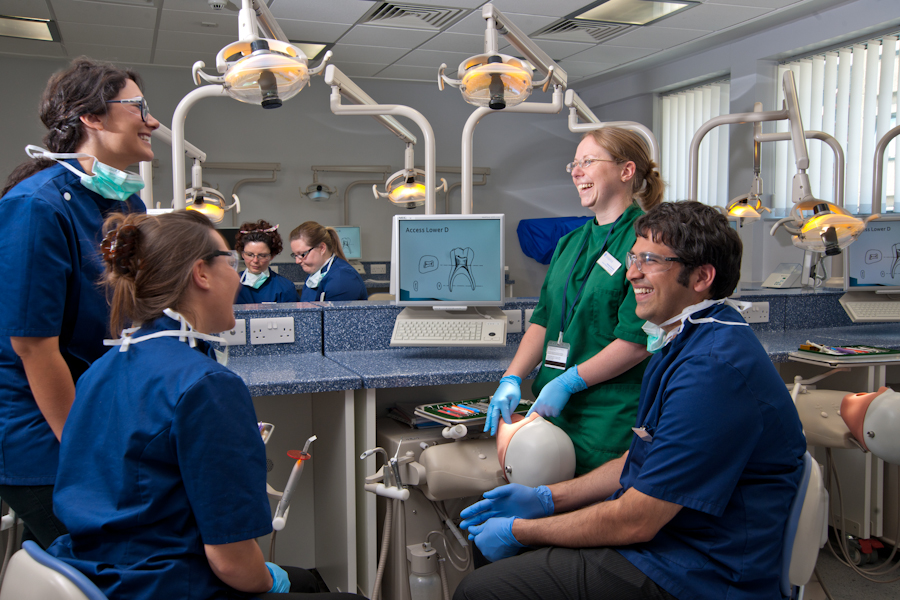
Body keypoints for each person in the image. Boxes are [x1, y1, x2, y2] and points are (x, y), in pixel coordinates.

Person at [455, 201, 807, 600]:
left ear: (702, 277)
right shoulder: (682, 343)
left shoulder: (713, 368)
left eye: (650, 260)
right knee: (488, 547)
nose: (632, 271)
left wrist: (522, 528)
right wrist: (547, 498)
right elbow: (643, 459)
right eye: (633, 257)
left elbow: (637, 520)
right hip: (670, 539)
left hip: (700, 570)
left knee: (483, 590)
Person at [47, 210, 366, 600]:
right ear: (201, 273)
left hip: (96, 572)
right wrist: (270, 581)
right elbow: (232, 563)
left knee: (305, 581)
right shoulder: (206, 385)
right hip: (165, 583)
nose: (238, 276)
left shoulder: (102, 368)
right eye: (230, 263)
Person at [0, 56, 156, 548]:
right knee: (107, 560)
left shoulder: (127, 206)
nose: (151, 121)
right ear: (92, 117)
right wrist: (84, 450)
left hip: (96, 415)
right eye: (139, 108)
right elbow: (33, 347)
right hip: (44, 436)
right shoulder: (36, 207)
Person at [485, 127, 664, 475]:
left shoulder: (646, 242)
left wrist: (570, 381)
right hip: (551, 411)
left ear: (626, 171)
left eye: (588, 161)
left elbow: (637, 340)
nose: (576, 172)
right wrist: (512, 378)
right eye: (574, 164)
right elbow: (543, 319)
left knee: (594, 517)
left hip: (607, 417)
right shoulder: (570, 244)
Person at [290, 221, 367, 302]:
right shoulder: (315, 275)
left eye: (302, 254)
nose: (297, 261)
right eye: (295, 255)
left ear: (322, 248)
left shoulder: (343, 277)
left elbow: (336, 314)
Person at [234, 219, 299, 303]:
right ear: (242, 254)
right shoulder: (231, 285)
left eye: (262, 256)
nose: (255, 260)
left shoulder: (285, 288)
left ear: (272, 256)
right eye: (250, 255)